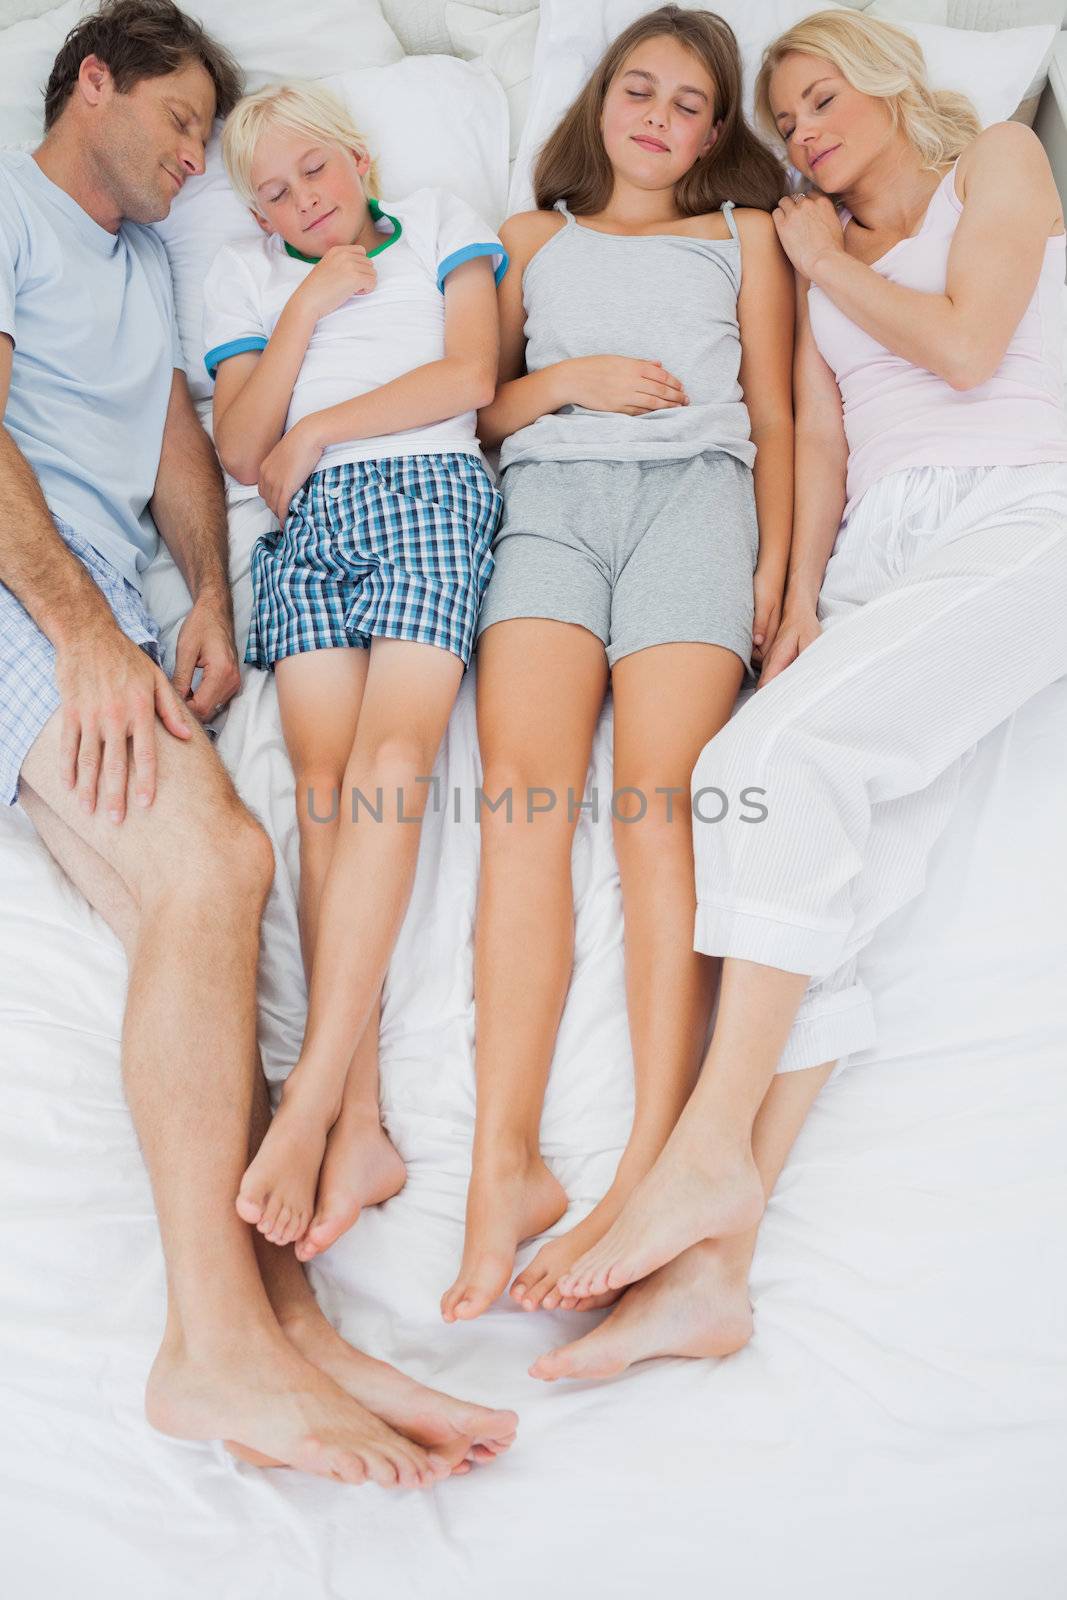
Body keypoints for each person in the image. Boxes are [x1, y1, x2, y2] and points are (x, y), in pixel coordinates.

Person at [0, 0, 517, 1477]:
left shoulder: (149, 261)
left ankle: (292, 1328)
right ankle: (211, 1354)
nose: (192, 162)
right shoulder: (10, 205)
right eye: (175, 124)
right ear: (90, 77)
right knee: (222, 864)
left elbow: (185, 436)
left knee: (210, 922)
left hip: (111, 599)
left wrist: (211, 594)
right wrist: (90, 634)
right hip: (31, 599)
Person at [529, 6, 1067, 1382]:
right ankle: (711, 1276)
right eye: (790, 124)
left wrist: (824, 254)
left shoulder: (992, 163)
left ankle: (700, 1156)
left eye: (824, 101)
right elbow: (817, 433)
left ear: (888, 87)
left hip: (1023, 510)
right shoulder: (801, 261)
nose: (809, 136)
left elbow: (961, 349)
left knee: (741, 776)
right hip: (888, 556)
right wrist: (801, 595)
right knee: (824, 860)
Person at [441, 5, 796, 1325]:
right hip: (546, 502)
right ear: (597, 102)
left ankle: (648, 1165)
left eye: (687, 102)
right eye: (635, 88)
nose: (655, 115)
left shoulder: (741, 237)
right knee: (519, 805)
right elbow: (471, 403)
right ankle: (500, 1172)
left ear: (714, 132)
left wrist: (777, 574)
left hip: (695, 503)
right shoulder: (531, 241)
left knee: (659, 811)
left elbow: (772, 411)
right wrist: (568, 377)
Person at [205, 82, 507, 1262]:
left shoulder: (435, 220)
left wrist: (322, 427)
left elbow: (470, 379)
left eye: (315, 173)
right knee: (324, 791)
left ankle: (316, 1094)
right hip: (304, 528)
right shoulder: (247, 277)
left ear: (363, 163)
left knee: (391, 762)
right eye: (272, 194)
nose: (299, 202)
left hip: (427, 495)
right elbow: (239, 444)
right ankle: (363, 1120)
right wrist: (306, 310)